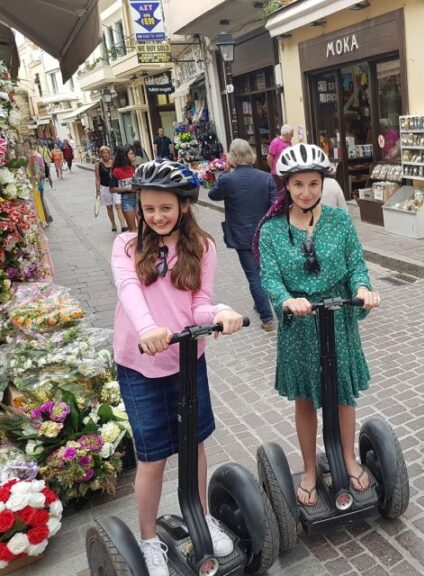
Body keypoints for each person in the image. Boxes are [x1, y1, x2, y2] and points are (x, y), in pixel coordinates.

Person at [112, 160, 244, 576]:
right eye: (148, 208)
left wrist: (221, 310)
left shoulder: (202, 247)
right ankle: (149, 539)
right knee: (152, 458)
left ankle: (201, 515)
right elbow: (130, 291)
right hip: (140, 364)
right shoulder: (127, 246)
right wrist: (148, 328)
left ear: (184, 206)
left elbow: (199, 303)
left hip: (187, 357)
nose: (156, 216)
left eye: (165, 207)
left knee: (195, 443)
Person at [255, 143, 380, 506]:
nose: (306, 192)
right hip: (300, 324)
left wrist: (361, 287)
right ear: (287, 186)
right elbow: (270, 278)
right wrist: (286, 300)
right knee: (306, 399)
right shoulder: (272, 230)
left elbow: (356, 262)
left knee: (342, 394)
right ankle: (310, 468)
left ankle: (348, 457)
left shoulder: (339, 221)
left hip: (339, 318)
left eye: (314, 183)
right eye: (298, 185)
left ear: (323, 183)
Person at [207, 138, 277, 331]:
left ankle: (267, 318)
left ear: (232, 156)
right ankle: (262, 304)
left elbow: (213, 195)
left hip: (241, 234)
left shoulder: (227, 179)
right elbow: (274, 205)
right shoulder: (265, 177)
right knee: (265, 272)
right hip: (264, 233)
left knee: (254, 276)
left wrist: (223, 172)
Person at [95, 145, 128, 232]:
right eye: (103, 153)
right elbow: (97, 178)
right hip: (104, 188)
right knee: (109, 207)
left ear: (110, 154)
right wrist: (97, 191)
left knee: (118, 205)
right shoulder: (98, 165)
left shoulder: (114, 163)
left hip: (115, 187)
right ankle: (113, 224)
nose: (106, 154)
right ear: (101, 154)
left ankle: (123, 225)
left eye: (107, 153)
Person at [110, 145, 138, 232]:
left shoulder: (134, 168)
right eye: (131, 153)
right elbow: (112, 189)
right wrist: (127, 188)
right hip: (127, 200)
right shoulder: (116, 171)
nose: (133, 155)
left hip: (138, 198)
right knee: (132, 229)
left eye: (133, 153)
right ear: (124, 156)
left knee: (143, 227)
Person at [266, 124, 293, 190]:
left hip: (287, 171)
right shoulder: (275, 142)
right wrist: (273, 169)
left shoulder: (289, 143)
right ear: (286, 134)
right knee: (280, 191)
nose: (293, 136)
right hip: (277, 174)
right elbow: (269, 157)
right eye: (291, 134)